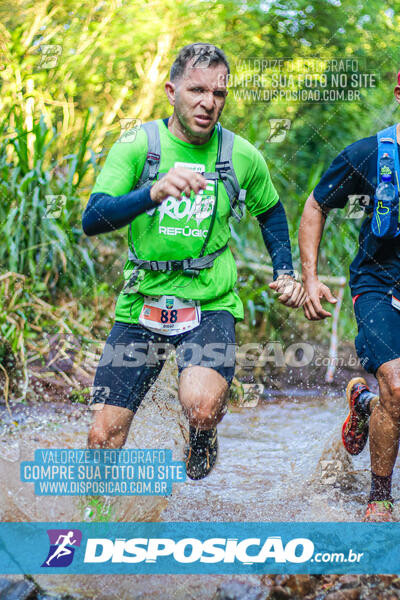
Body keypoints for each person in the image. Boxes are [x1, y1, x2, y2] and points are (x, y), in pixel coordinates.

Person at [82, 43, 306, 481]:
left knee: (202, 408)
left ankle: (202, 433)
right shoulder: (137, 146)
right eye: (197, 90)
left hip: (209, 300)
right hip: (141, 303)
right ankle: (95, 520)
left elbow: (272, 212)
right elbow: (94, 218)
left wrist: (284, 270)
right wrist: (153, 192)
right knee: (102, 437)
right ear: (172, 90)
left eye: (219, 93)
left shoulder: (240, 155)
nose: (208, 103)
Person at [299, 73, 400, 521]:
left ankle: (363, 405)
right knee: (398, 385)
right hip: (378, 287)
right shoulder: (371, 156)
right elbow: (316, 203)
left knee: (393, 401)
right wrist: (310, 278)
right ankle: (379, 500)